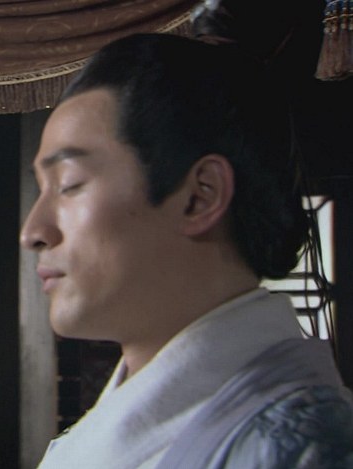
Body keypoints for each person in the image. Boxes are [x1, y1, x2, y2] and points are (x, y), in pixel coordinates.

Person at [20, 33, 353, 468]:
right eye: (42, 189)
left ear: (200, 196)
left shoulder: (302, 448)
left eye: (69, 184)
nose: (33, 232)